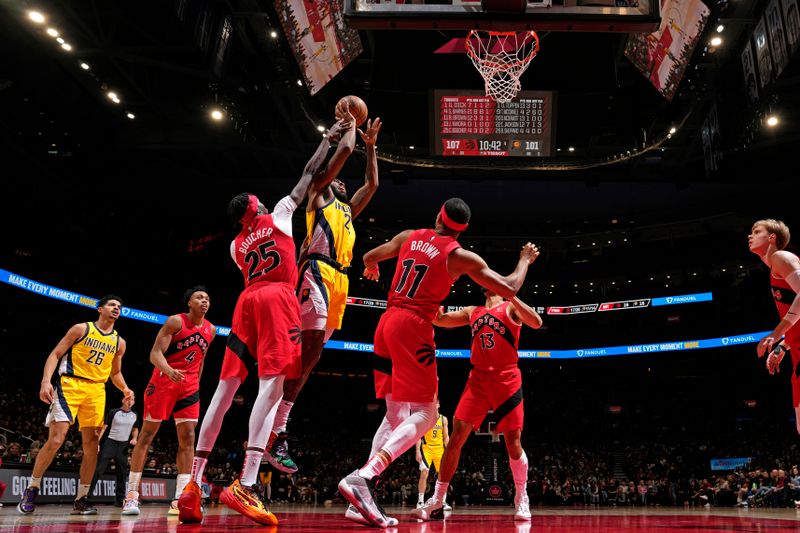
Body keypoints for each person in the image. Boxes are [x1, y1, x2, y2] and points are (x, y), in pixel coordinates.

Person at [177, 117, 353, 526]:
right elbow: (309, 174)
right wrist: (326, 140)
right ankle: (248, 482)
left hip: (245, 302)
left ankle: (193, 484)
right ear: (256, 207)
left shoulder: (237, 245)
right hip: (277, 298)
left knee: (224, 391)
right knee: (271, 387)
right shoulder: (280, 214)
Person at [339, 197, 539, 527]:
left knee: (395, 414)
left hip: (387, 321)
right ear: (463, 231)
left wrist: (372, 268)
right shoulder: (460, 257)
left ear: (437, 216)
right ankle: (365, 476)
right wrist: (523, 261)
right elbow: (510, 285)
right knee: (427, 413)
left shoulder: (408, 236)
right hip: (414, 327)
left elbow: (369, 256)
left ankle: (362, 494)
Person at [267, 110, 383, 473]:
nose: (342, 182)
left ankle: (276, 415)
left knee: (313, 356)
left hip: (341, 281)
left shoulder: (346, 210)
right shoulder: (319, 194)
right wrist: (348, 127)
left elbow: (373, 185)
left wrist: (372, 148)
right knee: (310, 348)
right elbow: (342, 155)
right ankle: (278, 426)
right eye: (337, 177)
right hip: (316, 271)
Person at [414, 288, 543, 521]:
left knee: (513, 443)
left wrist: (511, 293)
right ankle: (437, 499)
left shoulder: (511, 307)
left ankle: (521, 497)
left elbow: (536, 321)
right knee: (455, 438)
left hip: (507, 379)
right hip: (478, 379)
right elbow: (439, 320)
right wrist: (428, 297)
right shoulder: (473, 311)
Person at [18, 295, 133, 515]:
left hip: (97, 391)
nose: (116, 308)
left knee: (92, 446)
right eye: (112, 305)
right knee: (57, 439)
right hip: (70, 385)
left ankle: (81, 498)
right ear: (100, 309)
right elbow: (55, 354)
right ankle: (32, 488)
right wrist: (45, 381)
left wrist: (126, 389)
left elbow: (115, 372)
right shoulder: (81, 329)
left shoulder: (120, 342)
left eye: (119, 306)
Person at [122, 286, 215, 515]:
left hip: (190, 385)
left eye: (207, 299)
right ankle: (132, 495)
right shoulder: (175, 322)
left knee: (188, 437)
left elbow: (201, 360)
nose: (204, 301)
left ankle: (181, 498)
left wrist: (196, 384)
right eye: (199, 298)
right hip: (164, 381)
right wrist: (169, 369)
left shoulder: (211, 329)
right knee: (146, 435)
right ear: (189, 303)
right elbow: (155, 354)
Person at [749, 219, 800, 435]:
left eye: (756, 231)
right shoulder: (774, 271)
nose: (749, 235)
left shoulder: (781, 257)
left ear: (771, 238)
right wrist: (782, 346)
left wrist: (775, 334)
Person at [90, 396, 138, 507]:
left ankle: (120, 500)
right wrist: (97, 442)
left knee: (122, 474)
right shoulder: (113, 412)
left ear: (134, 402)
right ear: (122, 400)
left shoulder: (135, 415)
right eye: (127, 399)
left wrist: (135, 438)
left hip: (123, 446)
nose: (129, 401)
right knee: (98, 470)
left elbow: (135, 428)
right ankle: (88, 496)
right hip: (110, 443)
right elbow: (104, 427)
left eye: (132, 400)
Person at [415, 403, 450, 510]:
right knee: (424, 473)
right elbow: (418, 436)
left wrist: (448, 451)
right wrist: (417, 451)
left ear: (439, 405)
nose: (433, 405)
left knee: (443, 476)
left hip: (440, 450)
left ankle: (442, 502)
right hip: (427, 449)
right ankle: (420, 502)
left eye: (436, 403)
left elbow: (446, 436)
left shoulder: (443, 419)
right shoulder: (425, 419)